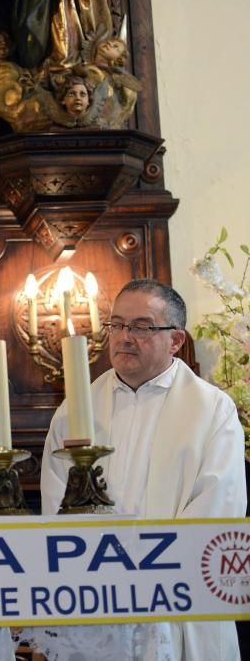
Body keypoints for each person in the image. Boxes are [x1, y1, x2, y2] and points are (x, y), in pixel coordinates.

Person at [41, 279, 247, 660]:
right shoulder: (75, 409)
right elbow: (57, 503)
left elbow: (219, 507)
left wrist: (143, 571)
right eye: (117, 325)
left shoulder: (212, 410)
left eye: (141, 326)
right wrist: (103, 570)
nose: (124, 337)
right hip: (95, 596)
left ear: (176, 340)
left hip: (177, 600)